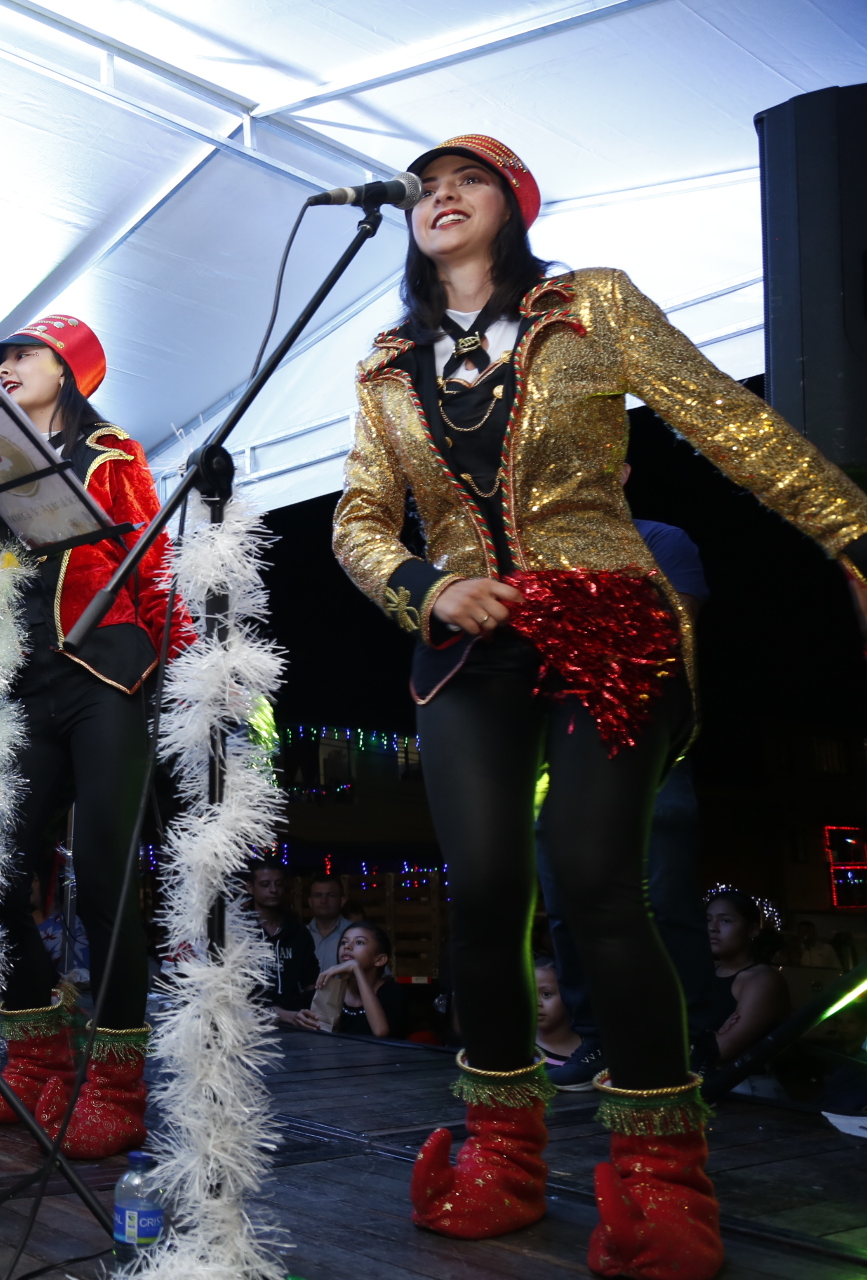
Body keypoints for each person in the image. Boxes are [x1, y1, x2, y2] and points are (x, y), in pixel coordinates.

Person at [331, 133, 867, 1275]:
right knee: (484, 894)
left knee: (594, 882)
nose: (441, 197)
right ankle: (501, 1155)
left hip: (610, 622)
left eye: (468, 181)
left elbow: (727, 419)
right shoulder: (385, 367)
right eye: (426, 188)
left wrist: (851, 531)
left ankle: (665, 1176)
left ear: (513, 205)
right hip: (469, 647)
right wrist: (428, 584)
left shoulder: (594, 304)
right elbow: (359, 520)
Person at [0, 313, 190, 1160]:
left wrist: (185, 673)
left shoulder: (114, 457)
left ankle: (116, 1084)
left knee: (108, 882)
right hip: (20, 688)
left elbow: (153, 565)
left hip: (107, 677)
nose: (4, 367)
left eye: (23, 355)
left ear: (69, 370)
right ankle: (40, 1051)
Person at [539, 470, 718, 1089]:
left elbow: (671, 633)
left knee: (662, 897)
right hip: (558, 752)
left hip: (646, 741)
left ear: (618, 471)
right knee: (565, 903)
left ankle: (691, 1039)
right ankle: (596, 1038)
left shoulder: (661, 540)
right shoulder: (533, 553)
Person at [707, 888, 790, 1065]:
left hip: (744, 1081)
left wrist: (693, 1034)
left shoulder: (763, 980)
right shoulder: (706, 971)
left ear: (752, 930)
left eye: (725, 920)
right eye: (708, 920)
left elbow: (722, 1049)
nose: (712, 928)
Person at [247, 859, 320, 1028]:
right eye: (265, 884)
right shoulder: (238, 929)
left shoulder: (297, 931)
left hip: (294, 1020)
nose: (273, 890)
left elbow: (311, 982)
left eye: (278, 884)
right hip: (248, 1023)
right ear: (250, 887)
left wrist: (316, 1014)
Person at [316, 921, 411, 1040]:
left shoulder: (392, 992)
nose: (347, 946)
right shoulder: (332, 989)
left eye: (359, 942)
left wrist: (356, 968)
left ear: (380, 960)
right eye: (344, 942)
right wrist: (296, 1016)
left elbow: (380, 1032)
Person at [534, 957, 583, 1068]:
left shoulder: (594, 1046)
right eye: (530, 994)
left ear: (569, 995)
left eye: (546, 994)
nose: (537, 1003)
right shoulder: (520, 1052)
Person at [305, 874, 348, 975]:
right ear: (310, 901)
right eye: (318, 895)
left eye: (331, 895)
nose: (323, 901)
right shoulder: (300, 935)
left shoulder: (356, 934)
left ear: (342, 901)